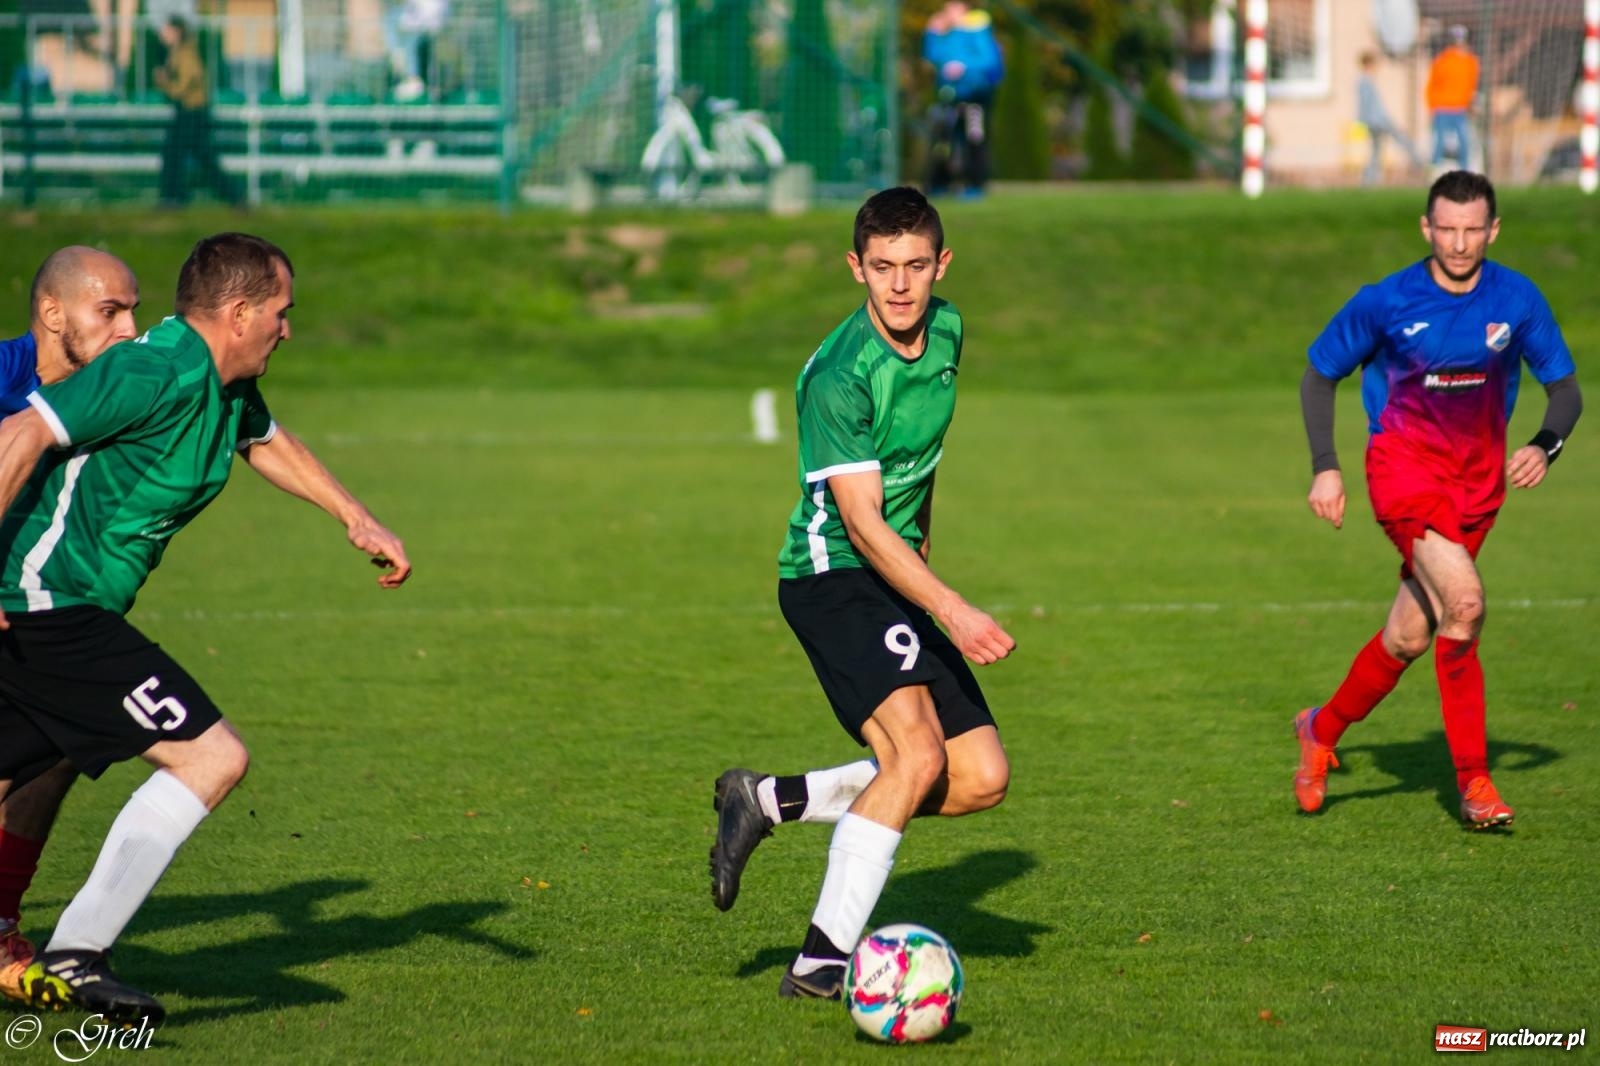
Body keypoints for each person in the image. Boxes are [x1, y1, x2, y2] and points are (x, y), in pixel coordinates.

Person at [0, 233, 411, 1024]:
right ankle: (78, 951)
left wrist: (355, 518)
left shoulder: (225, 386)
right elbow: (20, 436)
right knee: (211, 756)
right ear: (240, 311)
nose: (287, 329)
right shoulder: (150, 368)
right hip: (48, 605)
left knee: (28, 772)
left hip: (63, 612)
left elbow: (263, 439)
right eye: (281, 313)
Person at [709, 187, 1014, 999]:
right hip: (831, 576)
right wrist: (951, 605)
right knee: (914, 753)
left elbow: (923, 457)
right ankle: (822, 961)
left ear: (942, 265)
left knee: (980, 774)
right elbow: (861, 521)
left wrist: (927, 549)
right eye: (883, 269)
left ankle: (769, 800)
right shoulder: (840, 375)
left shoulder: (948, 330)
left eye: (917, 266)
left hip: (893, 571)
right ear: (857, 269)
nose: (901, 286)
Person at [1295, 171, 1581, 828]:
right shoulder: (1386, 300)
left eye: (1471, 229)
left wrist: (1543, 444)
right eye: (1445, 229)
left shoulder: (1517, 299)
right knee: (1468, 603)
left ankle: (1320, 728)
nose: (1458, 242)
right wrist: (1326, 467)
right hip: (1402, 472)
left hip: (1479, 487)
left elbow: (1565, 391)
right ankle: (1475, 784)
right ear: (1427, 228)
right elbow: (1320, 375)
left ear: (1493, 230)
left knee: (1408, 635)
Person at [0, 247, 140, 1003]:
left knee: (58, 745)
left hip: (37, 615)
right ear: (55, 316)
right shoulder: (1, 379)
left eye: (134, 310)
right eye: (110, 311)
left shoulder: (108, 390)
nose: (129, 328)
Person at [153, 17, 242, 208]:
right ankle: (174, 197)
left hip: (192, 113)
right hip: (188, 112)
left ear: (177, 32)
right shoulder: (178, 52)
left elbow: (183, 86)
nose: (162, 34)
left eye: (166, 30)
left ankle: (233, 197)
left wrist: (163, 82)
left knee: (192, 156)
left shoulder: (185, 54)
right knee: (181, 155)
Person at [922, 1, 1004, 199]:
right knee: (944, 140)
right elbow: (933, 56)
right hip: (950, 96)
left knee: (973, 139)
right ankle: (940, 184)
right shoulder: (949, 34)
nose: (947, 11)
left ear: (963, 8)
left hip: (974, 96)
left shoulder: (977, 29)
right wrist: (931, 32)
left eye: (952, 7)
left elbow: (988, 59)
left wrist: (963, 66)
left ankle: (975, 185)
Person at [1356, 51, 1422, 186]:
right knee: (1399, 138)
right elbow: (1364, 104)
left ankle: (1369, 178)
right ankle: (1418, 161)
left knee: (1376, 149)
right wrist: (1362, 120)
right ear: (1368, 65)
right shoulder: (1364, 82)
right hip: (1378, 121)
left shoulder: (1367, 81)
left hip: (1376, 120)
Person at [1426, 24, 1478, 170]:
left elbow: (1471, 85)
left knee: (1464, 141)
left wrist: (1470, 105)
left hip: (1460, 109)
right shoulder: (1442, 61)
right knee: (1439, 142)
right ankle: (1434, 170)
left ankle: (1464, 171)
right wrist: (1432, 107)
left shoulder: (1470, 62)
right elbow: (1432, 85)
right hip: (1442, 107)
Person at [384, 0, 451, 102]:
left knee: (411, 42)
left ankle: (413, 79)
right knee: (392, 18)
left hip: (428, 23)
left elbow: (433, 13)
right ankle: (397, 55)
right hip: (419, 22)